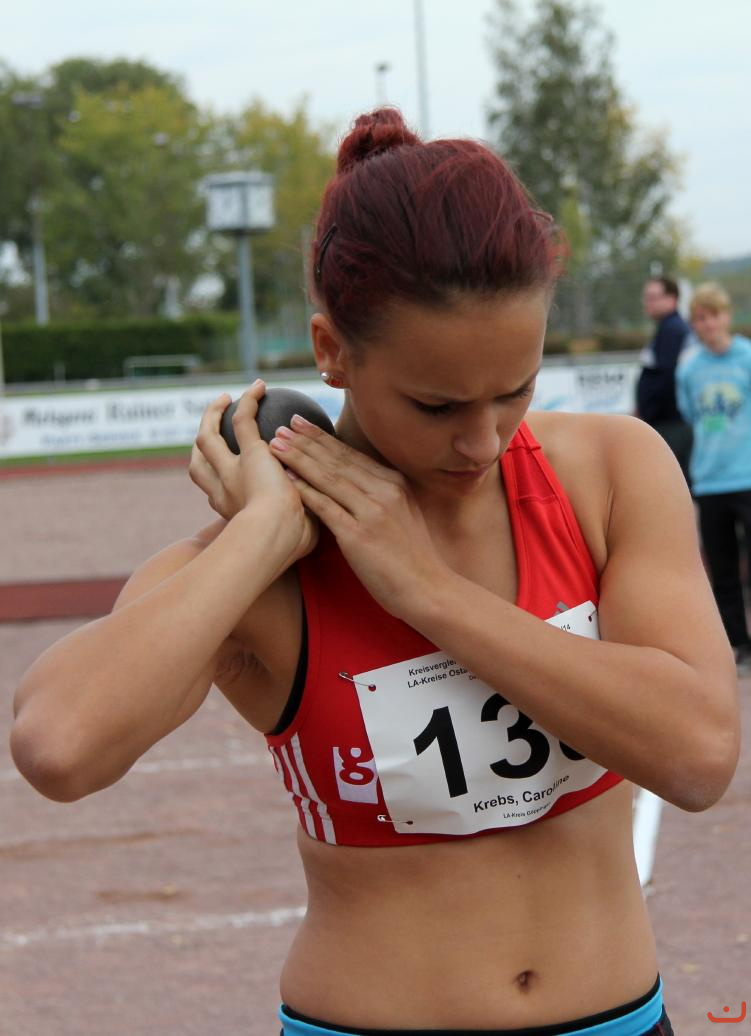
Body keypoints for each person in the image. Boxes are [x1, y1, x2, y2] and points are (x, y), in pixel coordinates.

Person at [11, 109, 739, 1036]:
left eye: (514, 390)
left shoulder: (607, 473)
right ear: (331, 352)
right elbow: (60, 747)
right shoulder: (266, 565)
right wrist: (262, 533)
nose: (482, 441)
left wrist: (426, 592)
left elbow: (697, 755)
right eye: (436, 405)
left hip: (616, 1019)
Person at [677, 282, 751, 675]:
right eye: (700, 318)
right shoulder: (689, 369)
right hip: (709, 481)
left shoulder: (747, 357)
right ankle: (739, 644)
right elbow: (691, 414)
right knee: (722, 571)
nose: (708, 324)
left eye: (714, 316)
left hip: (747, 477)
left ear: (727, 316)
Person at [636, 276, 693, 484]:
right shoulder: (667, 328)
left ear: (672, 299)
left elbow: (668, 377)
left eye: (653, 297)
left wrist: (650, 411)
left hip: (670, 424)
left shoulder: (672, 330)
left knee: (669, 484)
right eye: (646, 297)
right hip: (666, 422)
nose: (647, 303)